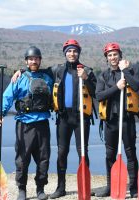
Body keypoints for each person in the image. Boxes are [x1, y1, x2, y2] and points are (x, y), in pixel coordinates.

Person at [12, 39, 97, 199]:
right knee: (61, 153)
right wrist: (21, 70)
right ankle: (61, 188)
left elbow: (95, 92)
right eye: (69, 51)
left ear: (79, 53)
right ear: (65, 53)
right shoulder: (57, 70)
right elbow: (36, 70)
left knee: (83, 152)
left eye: (75, 51)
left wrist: (85, 77)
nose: (72, 54)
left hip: (81, 118)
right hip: (63, 118)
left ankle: (84, 186)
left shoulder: (87, 71)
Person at [0, 46, 53, 200]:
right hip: (24, 124)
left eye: (36, 58)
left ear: (40, 60)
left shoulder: (48, 77)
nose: (34, 61)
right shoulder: (19, 78)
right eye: (31, 59)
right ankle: (22, 189)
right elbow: (8, 96)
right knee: (22, 158)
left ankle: (40, 189)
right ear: (26, 61)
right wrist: (0, 113)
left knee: (43, 158)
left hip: (43, 124)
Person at [95, 42, 139, 198]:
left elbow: (136, 86)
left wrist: (125, 71)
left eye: (115, 54)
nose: (113, 57)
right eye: (110, 55)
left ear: (120, 56)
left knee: (130, 154)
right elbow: (99, 95)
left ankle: (134, 188)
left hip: (127, 120)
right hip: (110, 121)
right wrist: (117, 87)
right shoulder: (103, 75)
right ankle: (111, 186)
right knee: (110, 155)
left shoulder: (130, 71)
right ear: (107, 58)